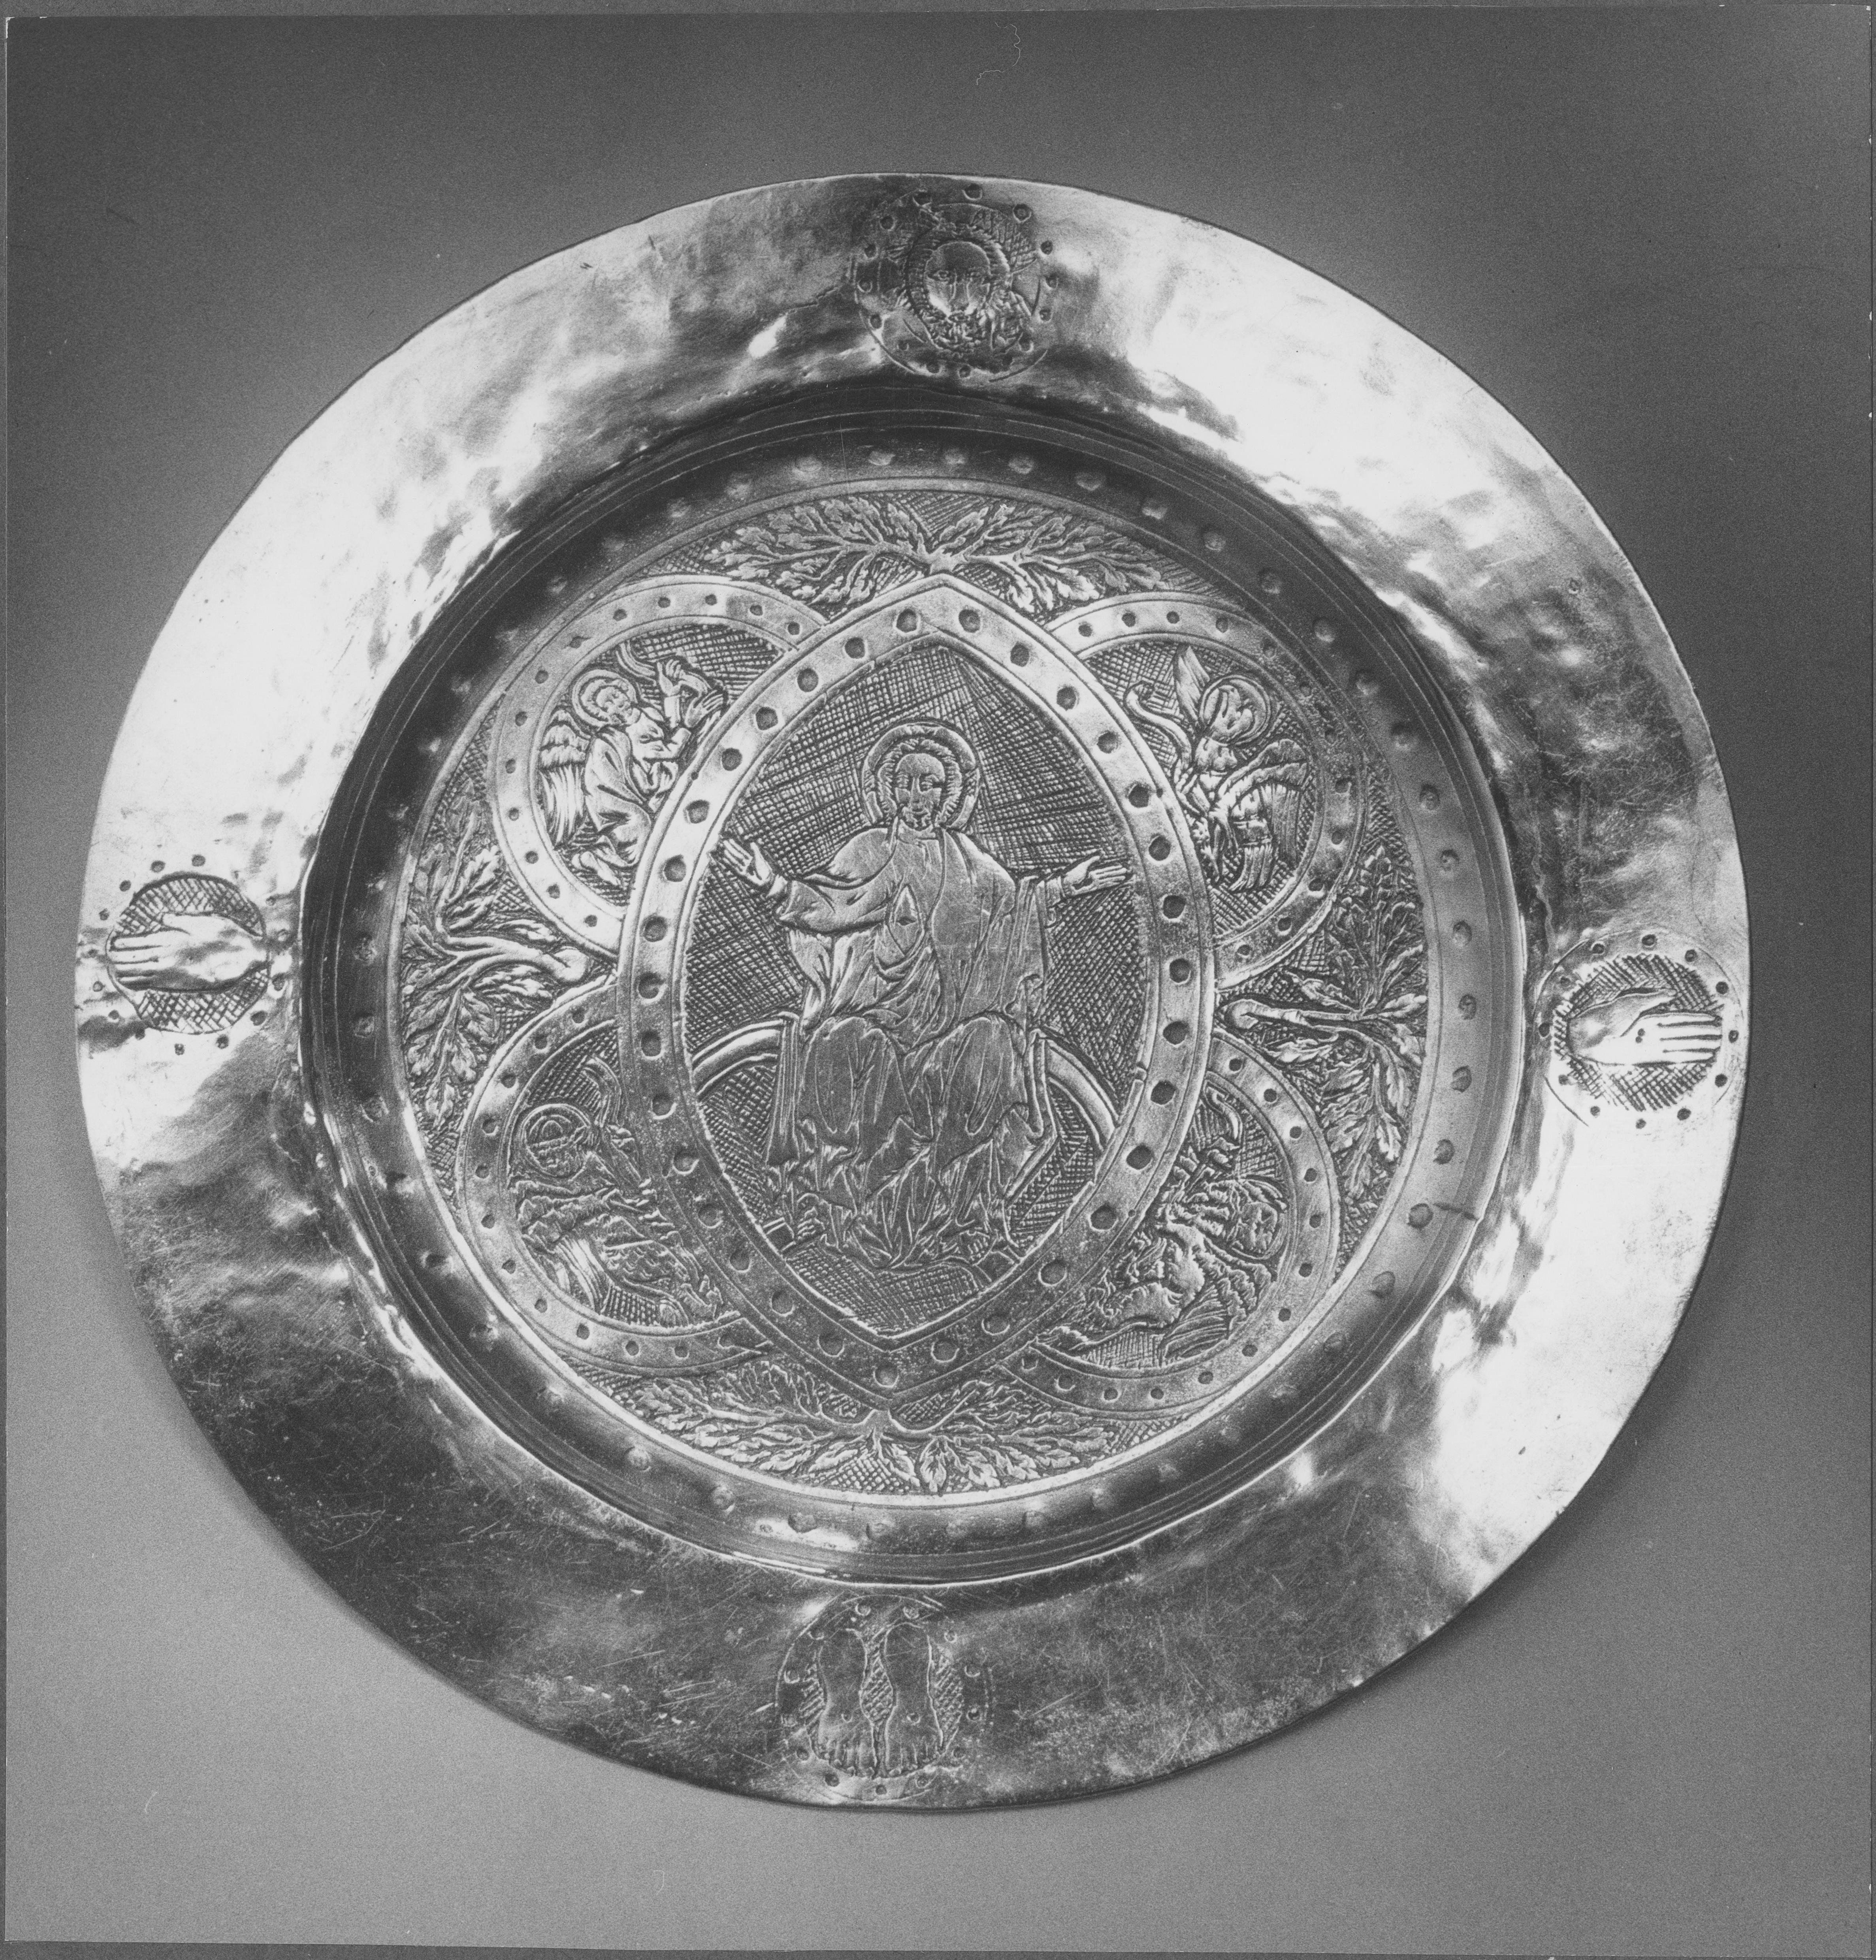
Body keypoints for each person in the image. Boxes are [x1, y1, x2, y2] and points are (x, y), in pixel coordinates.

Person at [718, 722, 1124, 1273]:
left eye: (929, 785)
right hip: (873, 1015)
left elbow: (1011, 906)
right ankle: (827, 1205)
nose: (917, 797)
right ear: (890, 791)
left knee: (992, 1043)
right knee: (843, 1041)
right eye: (907, 784)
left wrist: (1064, 887)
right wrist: (774, 884)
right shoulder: (869, 851)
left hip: (944, 1028)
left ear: (948, 794)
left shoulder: (970, 862)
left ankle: (965, 1219)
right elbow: (835, 905)